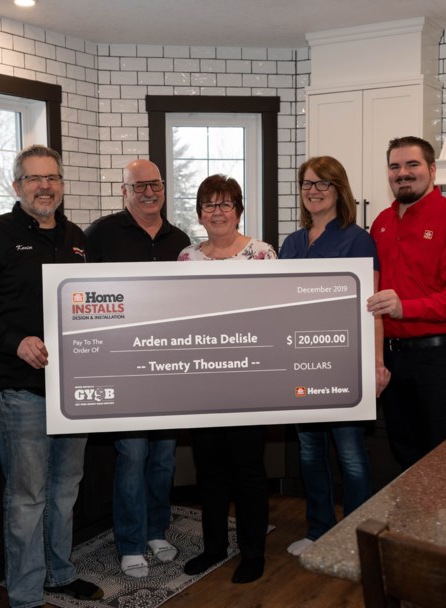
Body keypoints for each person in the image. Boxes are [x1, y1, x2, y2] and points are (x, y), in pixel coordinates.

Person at [0, 145, 103, 607]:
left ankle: (59, 573)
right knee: (28, 496)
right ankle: (25, 594)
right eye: (34, 179)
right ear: (16, 186)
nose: (45, 186)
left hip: (72, 389)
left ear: (61, 184)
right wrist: (15, 341)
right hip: (21, 390)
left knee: (64, 491)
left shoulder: (77, 239)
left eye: (52, 178)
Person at [279, 155, 391, 557]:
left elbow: (373, 307)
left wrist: (377, 364)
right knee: (310, 453)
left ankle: (356, 539)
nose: (313, 191)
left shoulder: (357, 239)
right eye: (308, 184)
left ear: (338, 190)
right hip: (301, 363)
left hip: (345, 363)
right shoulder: (291, 243)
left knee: (351, 456)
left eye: (322, 184)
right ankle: (319, 530)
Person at [84, 159, 191, 578]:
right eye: (139, 185)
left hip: (167, 369)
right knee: (131, 455)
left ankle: (155, 530)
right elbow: (81, 298)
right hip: (123, 368)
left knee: (163, 457)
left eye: (156, 184)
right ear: (124, 191)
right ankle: (130, 542)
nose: (149, 192)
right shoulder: (100, 235)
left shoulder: (179, 239)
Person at [176, 174, 276, 584]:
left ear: (238, 210)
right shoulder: (186, 258)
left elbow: (276, 315)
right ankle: (214, 547)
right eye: (209, 205)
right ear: (199, 214)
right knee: (210, 471)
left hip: (248, 382)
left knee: (248, 471)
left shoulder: (262, 254)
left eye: (225, 204)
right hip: (202, 384)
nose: (217, 212)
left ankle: (253, 553)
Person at [366, 136, 446, 470]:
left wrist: (406, 307)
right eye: (394, 166)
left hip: (439, 361)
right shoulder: (381, 224)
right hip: (392, 358)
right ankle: (408, 524)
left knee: (444, 460)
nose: (402, 173)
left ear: (432, 170)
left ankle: (444, 525)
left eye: (411, 165)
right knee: (402, 456)